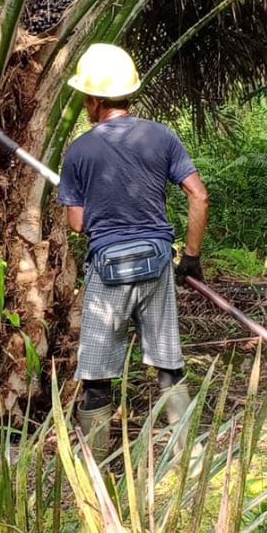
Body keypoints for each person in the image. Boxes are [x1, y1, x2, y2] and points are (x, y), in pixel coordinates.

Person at [57, 43, 209, 461]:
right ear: (128, 94)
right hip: (157, 263)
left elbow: (77, 225)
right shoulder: (161, 136)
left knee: (97, 376)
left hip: (108, 271)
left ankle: (99, 468)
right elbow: (199, 195)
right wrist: (191, 258)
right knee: (168, 365)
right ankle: (188, 459)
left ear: (92, 100)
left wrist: (93, 199)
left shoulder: (80, 151)